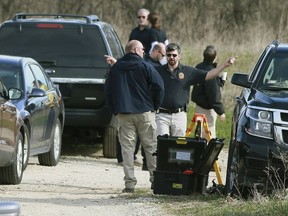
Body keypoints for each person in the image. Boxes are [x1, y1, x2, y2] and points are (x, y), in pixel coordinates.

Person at [104, 40, 165, 193]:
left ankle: (129, 184)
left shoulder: (116, 67)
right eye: (143, 49)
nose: (144, 52)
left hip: (124, 114)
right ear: (136, 50)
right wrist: (155, 106)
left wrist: (115, 110)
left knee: (127, 149)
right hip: (145, 112)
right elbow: (159, 86)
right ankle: (155, 180)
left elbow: (108, 91)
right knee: (151, 147)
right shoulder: (145, 66)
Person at [154, 43, 235, 137]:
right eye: (169, 55)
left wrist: (224, 65)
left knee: (177, 146)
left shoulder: (187, 71)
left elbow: (209, 75)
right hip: (162, 115)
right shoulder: (157, 71)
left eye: (174, 55)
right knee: (162, 144)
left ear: (179, 56)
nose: (171, 57)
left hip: (179, 115)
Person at [191, 45, 226, 138]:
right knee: (208, 134)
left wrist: (220, 82)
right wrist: (221, 112)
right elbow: (213, 94)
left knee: (199, 132)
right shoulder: (212, 72)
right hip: (208, 109)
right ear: (215, 58)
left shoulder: (198, 67)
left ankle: (198, 151)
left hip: (198, 106)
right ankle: (207, 152)